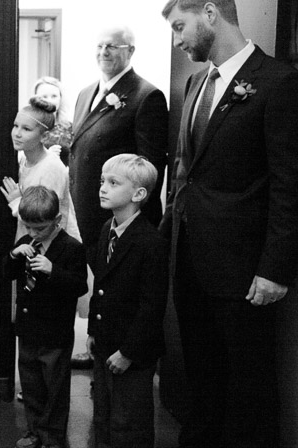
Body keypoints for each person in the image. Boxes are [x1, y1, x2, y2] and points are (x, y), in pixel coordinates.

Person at [161, 0, 298, 448]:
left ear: (211, 14)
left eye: (180, 27)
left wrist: (275, 269)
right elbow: (187, 170)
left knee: (249, 386)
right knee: (201, 375)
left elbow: (294, 185)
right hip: (190, 261)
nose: (178, 40)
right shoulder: (195, 83)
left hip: (245, 270)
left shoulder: (280, 83)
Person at [68, 26, 167, 269]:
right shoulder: (85, 93)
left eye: (112, 46)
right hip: (86, 214)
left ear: (131, 50)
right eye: (100, 46)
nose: (104, 52)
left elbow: (150, 168)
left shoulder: (147, 96)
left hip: (118, 220)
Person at [87, 154, 168, 448]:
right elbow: (101, 287)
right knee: (103, 417)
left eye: (112, 182)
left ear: (138, 194)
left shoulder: (150, 243)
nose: (102, 188)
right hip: (105, 343)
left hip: (132, 352)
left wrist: (128, 352)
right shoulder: (105, 230)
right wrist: (92, 333)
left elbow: (152, 307)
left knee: (129, 423)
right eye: (102, 181)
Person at [5, 185, 88, 448]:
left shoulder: (71, 248)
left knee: (54, 389)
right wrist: (13, 255)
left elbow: (79, 286)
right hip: (28, 330)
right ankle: (33, 431)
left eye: (39, 228)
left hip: (55, 334)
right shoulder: (25, 243)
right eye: (27, 226)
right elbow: (7, 274)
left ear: (57, 221)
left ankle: (52, 436)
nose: (32, 233)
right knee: (31, 385)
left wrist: (53, 271)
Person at [1, 96, 78, 241]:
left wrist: (17, 201)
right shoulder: (24, 160)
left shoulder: (51, 168)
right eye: (15, 126)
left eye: (26, 129)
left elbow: (44, 220)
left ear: (44, 136)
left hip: (55, 249)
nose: (17, 133)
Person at [31, 76, 74, 163]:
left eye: (54, 96)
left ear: (61, 98)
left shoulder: (71, 128)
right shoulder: (28, 127)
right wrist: (46, 155)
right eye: (44, 97)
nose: (49, 101)